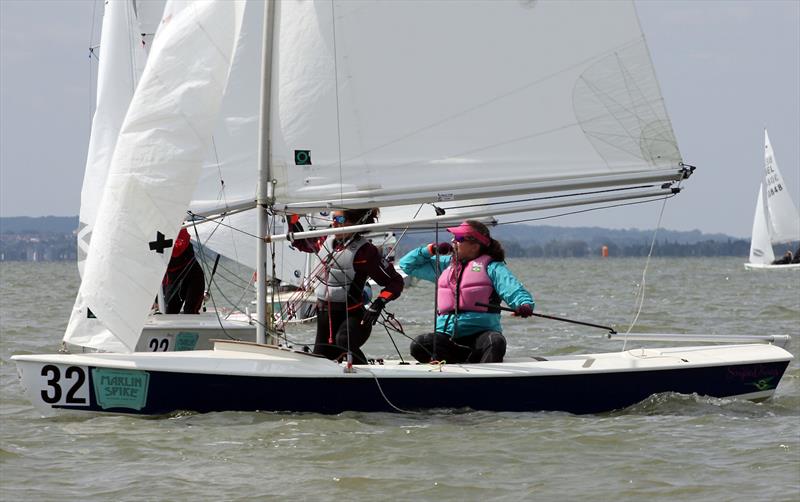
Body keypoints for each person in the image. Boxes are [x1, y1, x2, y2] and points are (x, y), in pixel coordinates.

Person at [398, 220, 534, 364]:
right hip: (447, 336)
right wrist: (430, 249)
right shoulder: (445, 266)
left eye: (459, 238)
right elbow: (407, 265)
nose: (453, 241)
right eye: (454, 238)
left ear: (475, 246)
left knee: (495, 341)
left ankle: (485, 379)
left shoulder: (493, 267)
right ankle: (464, 361)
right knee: (420, 344)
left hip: (481, 335)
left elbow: (513, 289)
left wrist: (524, 305)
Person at [290, 209, 404, 364]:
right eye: (333, 218)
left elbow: (395, 282)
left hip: (354, 319)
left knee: (344, 341)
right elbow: (301, 242)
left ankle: (368, 380)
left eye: (340, 219)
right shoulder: (324, 241)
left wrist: (378, 304)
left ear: (355, 223)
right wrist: (291, 218)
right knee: (320, 363)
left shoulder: (366, 252)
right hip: (325, 318)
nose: (334, 223)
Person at [163, 227, 205, 314]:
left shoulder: (181, 231)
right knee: (170, 313)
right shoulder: (149, 236)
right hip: (173, 279)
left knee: (190, 311)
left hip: (193, 277)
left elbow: (176, 251)